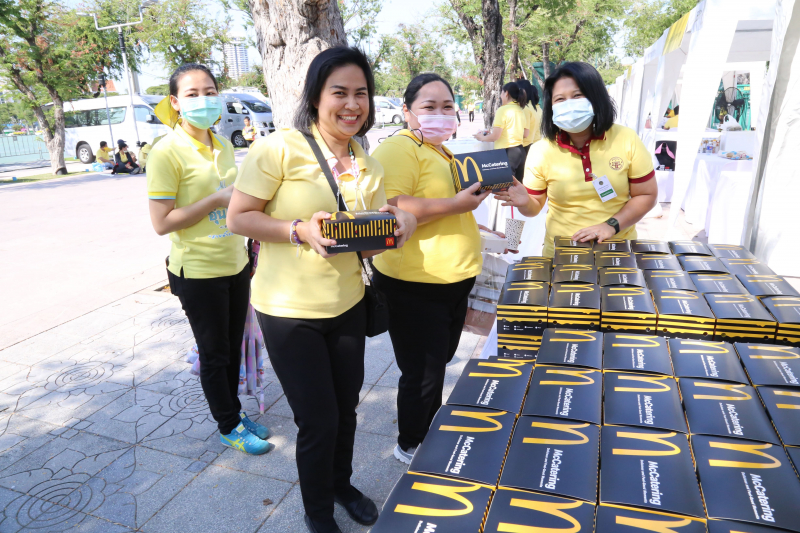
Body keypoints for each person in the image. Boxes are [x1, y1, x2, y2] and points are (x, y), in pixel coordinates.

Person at [226, 47, 416, 533]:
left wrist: (397, 229)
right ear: (315, 97)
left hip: (348, 304)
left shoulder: (367, 163)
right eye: (340, 93)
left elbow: (365, 247)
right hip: (288, 312)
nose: (352, 104)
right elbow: (239, 217)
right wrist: (297, 230)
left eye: (361, 94)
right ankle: (316, 512)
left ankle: (341, 484)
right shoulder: (280, 148)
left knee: (346, 411)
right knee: (317, 420)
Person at [370, 73, 507, 466]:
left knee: (438, 362)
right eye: (429, 107)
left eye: (447, 106)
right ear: (407, 112)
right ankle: (410, 444)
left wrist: (474, 223)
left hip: (453, 280)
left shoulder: (444, 151)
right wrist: (458, 208)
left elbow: (443, 205)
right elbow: (394, 205)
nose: (440, 114)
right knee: (422, 372)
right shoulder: (400, 148)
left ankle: (429, 425)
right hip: (415, 283)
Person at [146, 64, 274, 459]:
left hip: (235, 263)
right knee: (214, 352)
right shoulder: (166, 152)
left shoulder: (221, 144)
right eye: (192, 94)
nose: (203, 100)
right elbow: (161, 223)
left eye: (210, 91)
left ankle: (234, 413)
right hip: (198, 272)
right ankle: (228, 427)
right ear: (175, 103)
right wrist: (216, 200)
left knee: (232, 347)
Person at [495, 61, 658, 257]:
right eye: (560, 99)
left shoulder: (626, 139)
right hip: (561, 254)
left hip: (618, 252)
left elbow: (646, 195)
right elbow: (534, 207)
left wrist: (610, 226)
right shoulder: (541, 150)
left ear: (595, 97)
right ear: (551, 106)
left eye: (577, 95)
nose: (569, 104)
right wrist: (524, 203)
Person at [473, 82, 529, 179]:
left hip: (508, 152)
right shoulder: (520, 110)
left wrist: (482, 137)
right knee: (517, 189)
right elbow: (523, 133)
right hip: (520, 152)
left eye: (502, 93)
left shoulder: (503, 110)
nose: (500, 96)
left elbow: (495, 136)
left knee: (504, 189)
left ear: (506, 93)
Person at [517, 79, 543, 155]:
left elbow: (525, 134)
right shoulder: (533, 107)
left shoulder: (525, 109)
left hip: (525, 146)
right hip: (532, 144)